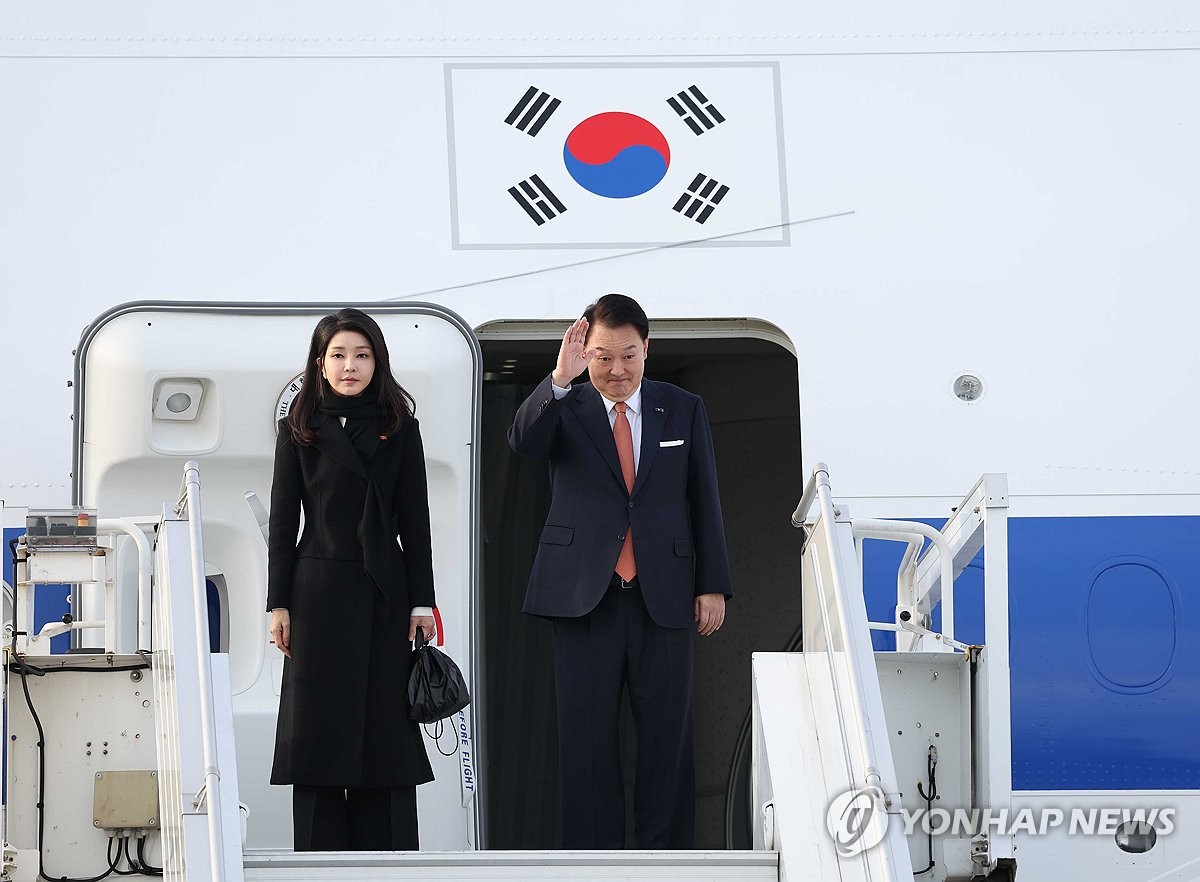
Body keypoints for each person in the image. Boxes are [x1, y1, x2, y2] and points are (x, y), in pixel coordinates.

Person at [508, 293, 733, 849]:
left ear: (647, 350)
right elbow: (524, 442)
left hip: (666, 597)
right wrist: (560, 379)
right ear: (585, 352)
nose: (616, 370)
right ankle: (593, 863)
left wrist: (712, 586)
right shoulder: (567, 404)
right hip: (585, 599)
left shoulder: (681, 408)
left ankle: (668, 861)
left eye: (628, 356)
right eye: (603, 356)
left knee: (667, 742)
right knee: (585, 744)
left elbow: (704, 498)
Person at [266, 308, 436, 852]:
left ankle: (387, 862)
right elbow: (282, 520)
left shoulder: (399, 426)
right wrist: (278, 602)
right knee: (316, 739)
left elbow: (417, 521)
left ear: (377, 362)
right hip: (315, 594)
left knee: (385, 738)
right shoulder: (299, 426)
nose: (350, 366)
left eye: (361, 355)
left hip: (385, 595)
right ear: (320, 363)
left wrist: (422, 602)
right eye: (338, 355)